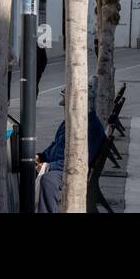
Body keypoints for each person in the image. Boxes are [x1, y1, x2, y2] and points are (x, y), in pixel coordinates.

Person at [35, 80, 107, 212]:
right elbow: (55, 145)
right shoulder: (69, 119)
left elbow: (79, 161)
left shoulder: (92, 127)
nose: (64, 108)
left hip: (70, 169)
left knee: (48, 181)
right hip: (59, 164)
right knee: (24, 166)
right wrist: (41, 156)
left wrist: (50, 166)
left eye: (67, 104)